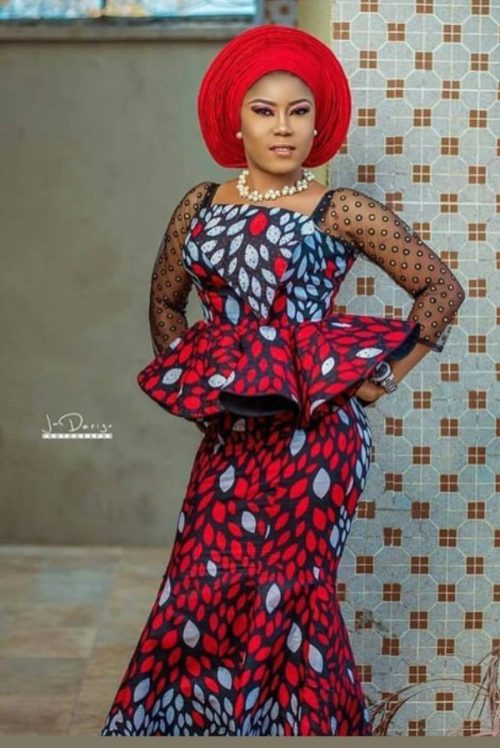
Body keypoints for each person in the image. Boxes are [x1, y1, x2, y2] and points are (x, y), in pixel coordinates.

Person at [99, 24, 465, 737]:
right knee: (200, 587)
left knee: (292, 594)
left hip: (318, 439)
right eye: (264, 110)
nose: (283, 126)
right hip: (232, 435)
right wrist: (198, 394)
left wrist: (380, 380)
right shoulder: (200, 205)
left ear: (318, 124)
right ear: (235, 122)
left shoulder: (341, 209)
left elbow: (441, 290)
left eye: (299, 111)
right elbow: (165, 302)